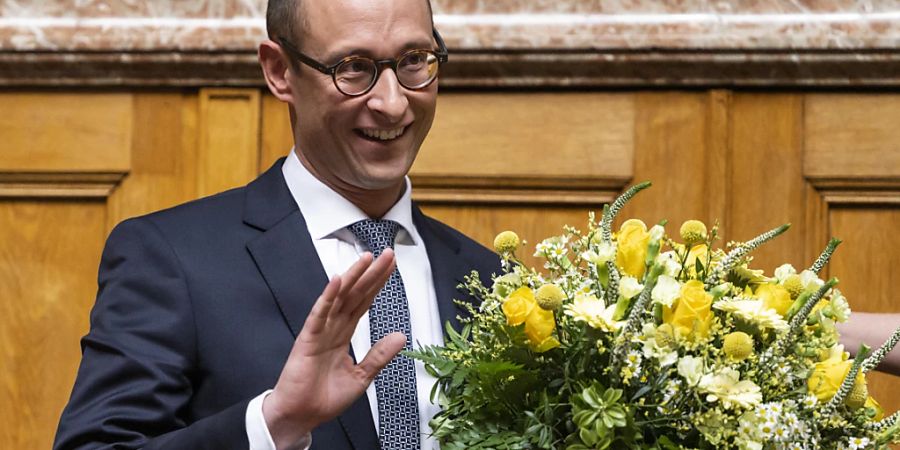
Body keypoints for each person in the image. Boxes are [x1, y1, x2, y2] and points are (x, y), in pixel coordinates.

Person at [53, 0, 499, 449]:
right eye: (354, 69)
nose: (392, 102)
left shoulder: (493, 281)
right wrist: (272, 424)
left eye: (413, 61)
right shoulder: (171, 258)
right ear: (280, 71)